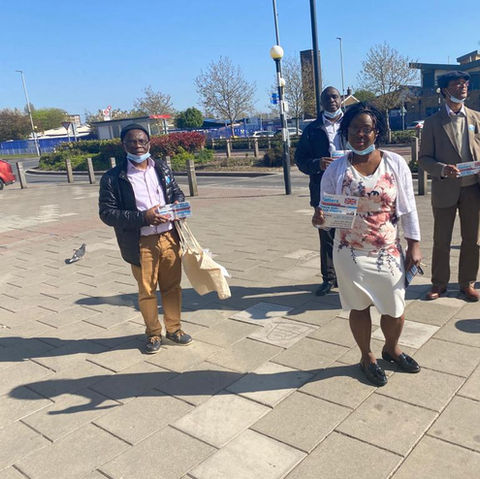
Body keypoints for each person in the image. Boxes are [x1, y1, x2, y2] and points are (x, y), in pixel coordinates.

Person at [312, 103, 421, 386]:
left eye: (366, 129)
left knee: (395, 308)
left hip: (387, 251)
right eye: (354, 129)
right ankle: (366, 356)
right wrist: (319, 219)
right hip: (350, 252)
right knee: (358, 307)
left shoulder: (394, 163)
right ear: (346, 132)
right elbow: (327, 217)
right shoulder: (336, 170)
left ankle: (391, 348)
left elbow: (408, 208)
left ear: (377, 131)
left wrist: (414, 244)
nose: (360, 134)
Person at [99, 124, 192, 354]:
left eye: (142, 141)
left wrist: (178, 204)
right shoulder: (113, 178)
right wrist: (144, 217)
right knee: (147, 290)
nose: (138, 146)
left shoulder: (161, 167)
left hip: (170, 237)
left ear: (149, 143)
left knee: (172, 287)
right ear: (124, 145)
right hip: (141, 242)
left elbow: (175, 191)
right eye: (132, 141)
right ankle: (153, 333)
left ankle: (174, 329)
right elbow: (107, 213)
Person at [419, 71, 480, 302]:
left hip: (473, 189)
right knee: (441, 240)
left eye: (465, 83)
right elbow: (424, 159)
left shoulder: (476, 118)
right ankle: (439, 283)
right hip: (445, 188)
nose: (463, 87)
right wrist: (443, 169)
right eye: (457, 84)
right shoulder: (433, 123)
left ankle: (467, 282)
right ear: (445, 90)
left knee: (472, 240)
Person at [295, 86, 348, 296]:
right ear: (321, 103)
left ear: (341, 99)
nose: (331, 101)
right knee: (326, 235)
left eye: (335, 97)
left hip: (350, 189)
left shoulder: (352, 123)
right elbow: (300, 160)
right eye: (327, 98)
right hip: (324, 191)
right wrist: (318, 163)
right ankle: (329, 278)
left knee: (350, 235)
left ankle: (348, 277)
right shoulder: (312, 129)